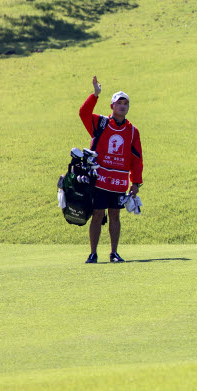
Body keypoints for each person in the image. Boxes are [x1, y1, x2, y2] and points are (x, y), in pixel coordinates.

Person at [79, 76, 143, 263]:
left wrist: (136, 182)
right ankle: (93, 253)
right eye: (119, 103)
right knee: (98, 214)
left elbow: (137, 159)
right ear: (112, 106)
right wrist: (95, 95)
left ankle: (114, 253)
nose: (123, 106)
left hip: (119, 182)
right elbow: (83, 113)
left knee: (115, 215)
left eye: (126, 103)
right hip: (100, 179)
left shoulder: (132, 131)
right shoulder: (100, 124)